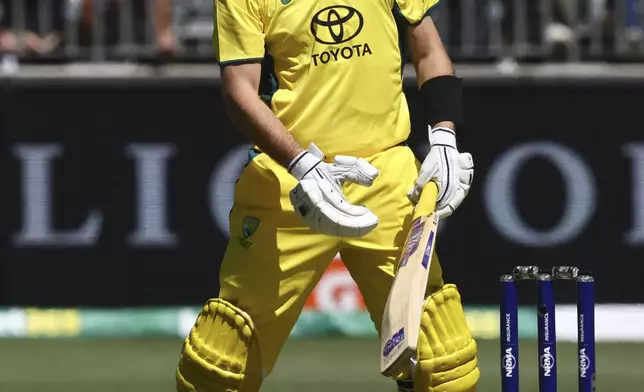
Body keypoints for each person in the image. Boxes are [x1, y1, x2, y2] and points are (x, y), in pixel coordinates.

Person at [175, 0, 478, 391]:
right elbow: (239, 91)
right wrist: (302, 164)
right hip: (290, 182)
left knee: (442, 364)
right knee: (219, 367)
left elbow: (429, 48)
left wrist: (444, 136)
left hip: (386, 174)